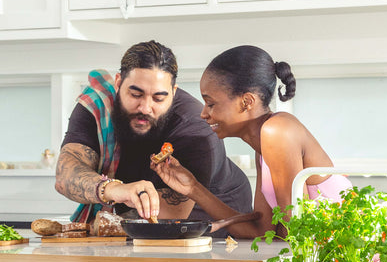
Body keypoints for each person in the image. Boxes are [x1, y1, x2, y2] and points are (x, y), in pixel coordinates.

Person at [55, 40, 252, 236]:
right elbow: (65, 177)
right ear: (118, 84)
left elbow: (172, 211)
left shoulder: (195, 130)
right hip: (133, 219)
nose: (145, 108)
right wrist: (113, 189)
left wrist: (120, 198)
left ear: (173, 94)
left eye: (158, 98)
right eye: (135, 94)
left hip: (216, 226)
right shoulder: (97, 105)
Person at [152, 45, 352, 238]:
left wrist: (226, 223)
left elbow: (298, 232)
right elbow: (261, 231)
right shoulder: (263, 145)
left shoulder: (277, 132)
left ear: (247, 102)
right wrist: (193, 188)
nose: (204, 114)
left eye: (211, 103)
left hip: (350, 260)